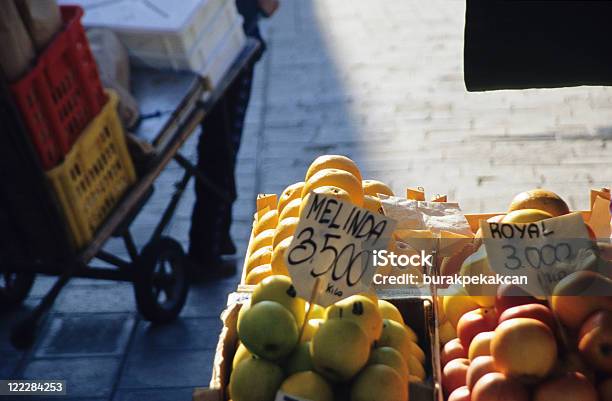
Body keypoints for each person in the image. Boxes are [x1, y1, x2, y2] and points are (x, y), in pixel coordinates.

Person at [187, 0, 279, 280]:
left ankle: (218, 234)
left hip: (189, 43)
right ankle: (206, 250)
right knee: (222, 143)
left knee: (216, 141)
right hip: (229, 43)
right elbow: (269, 5)